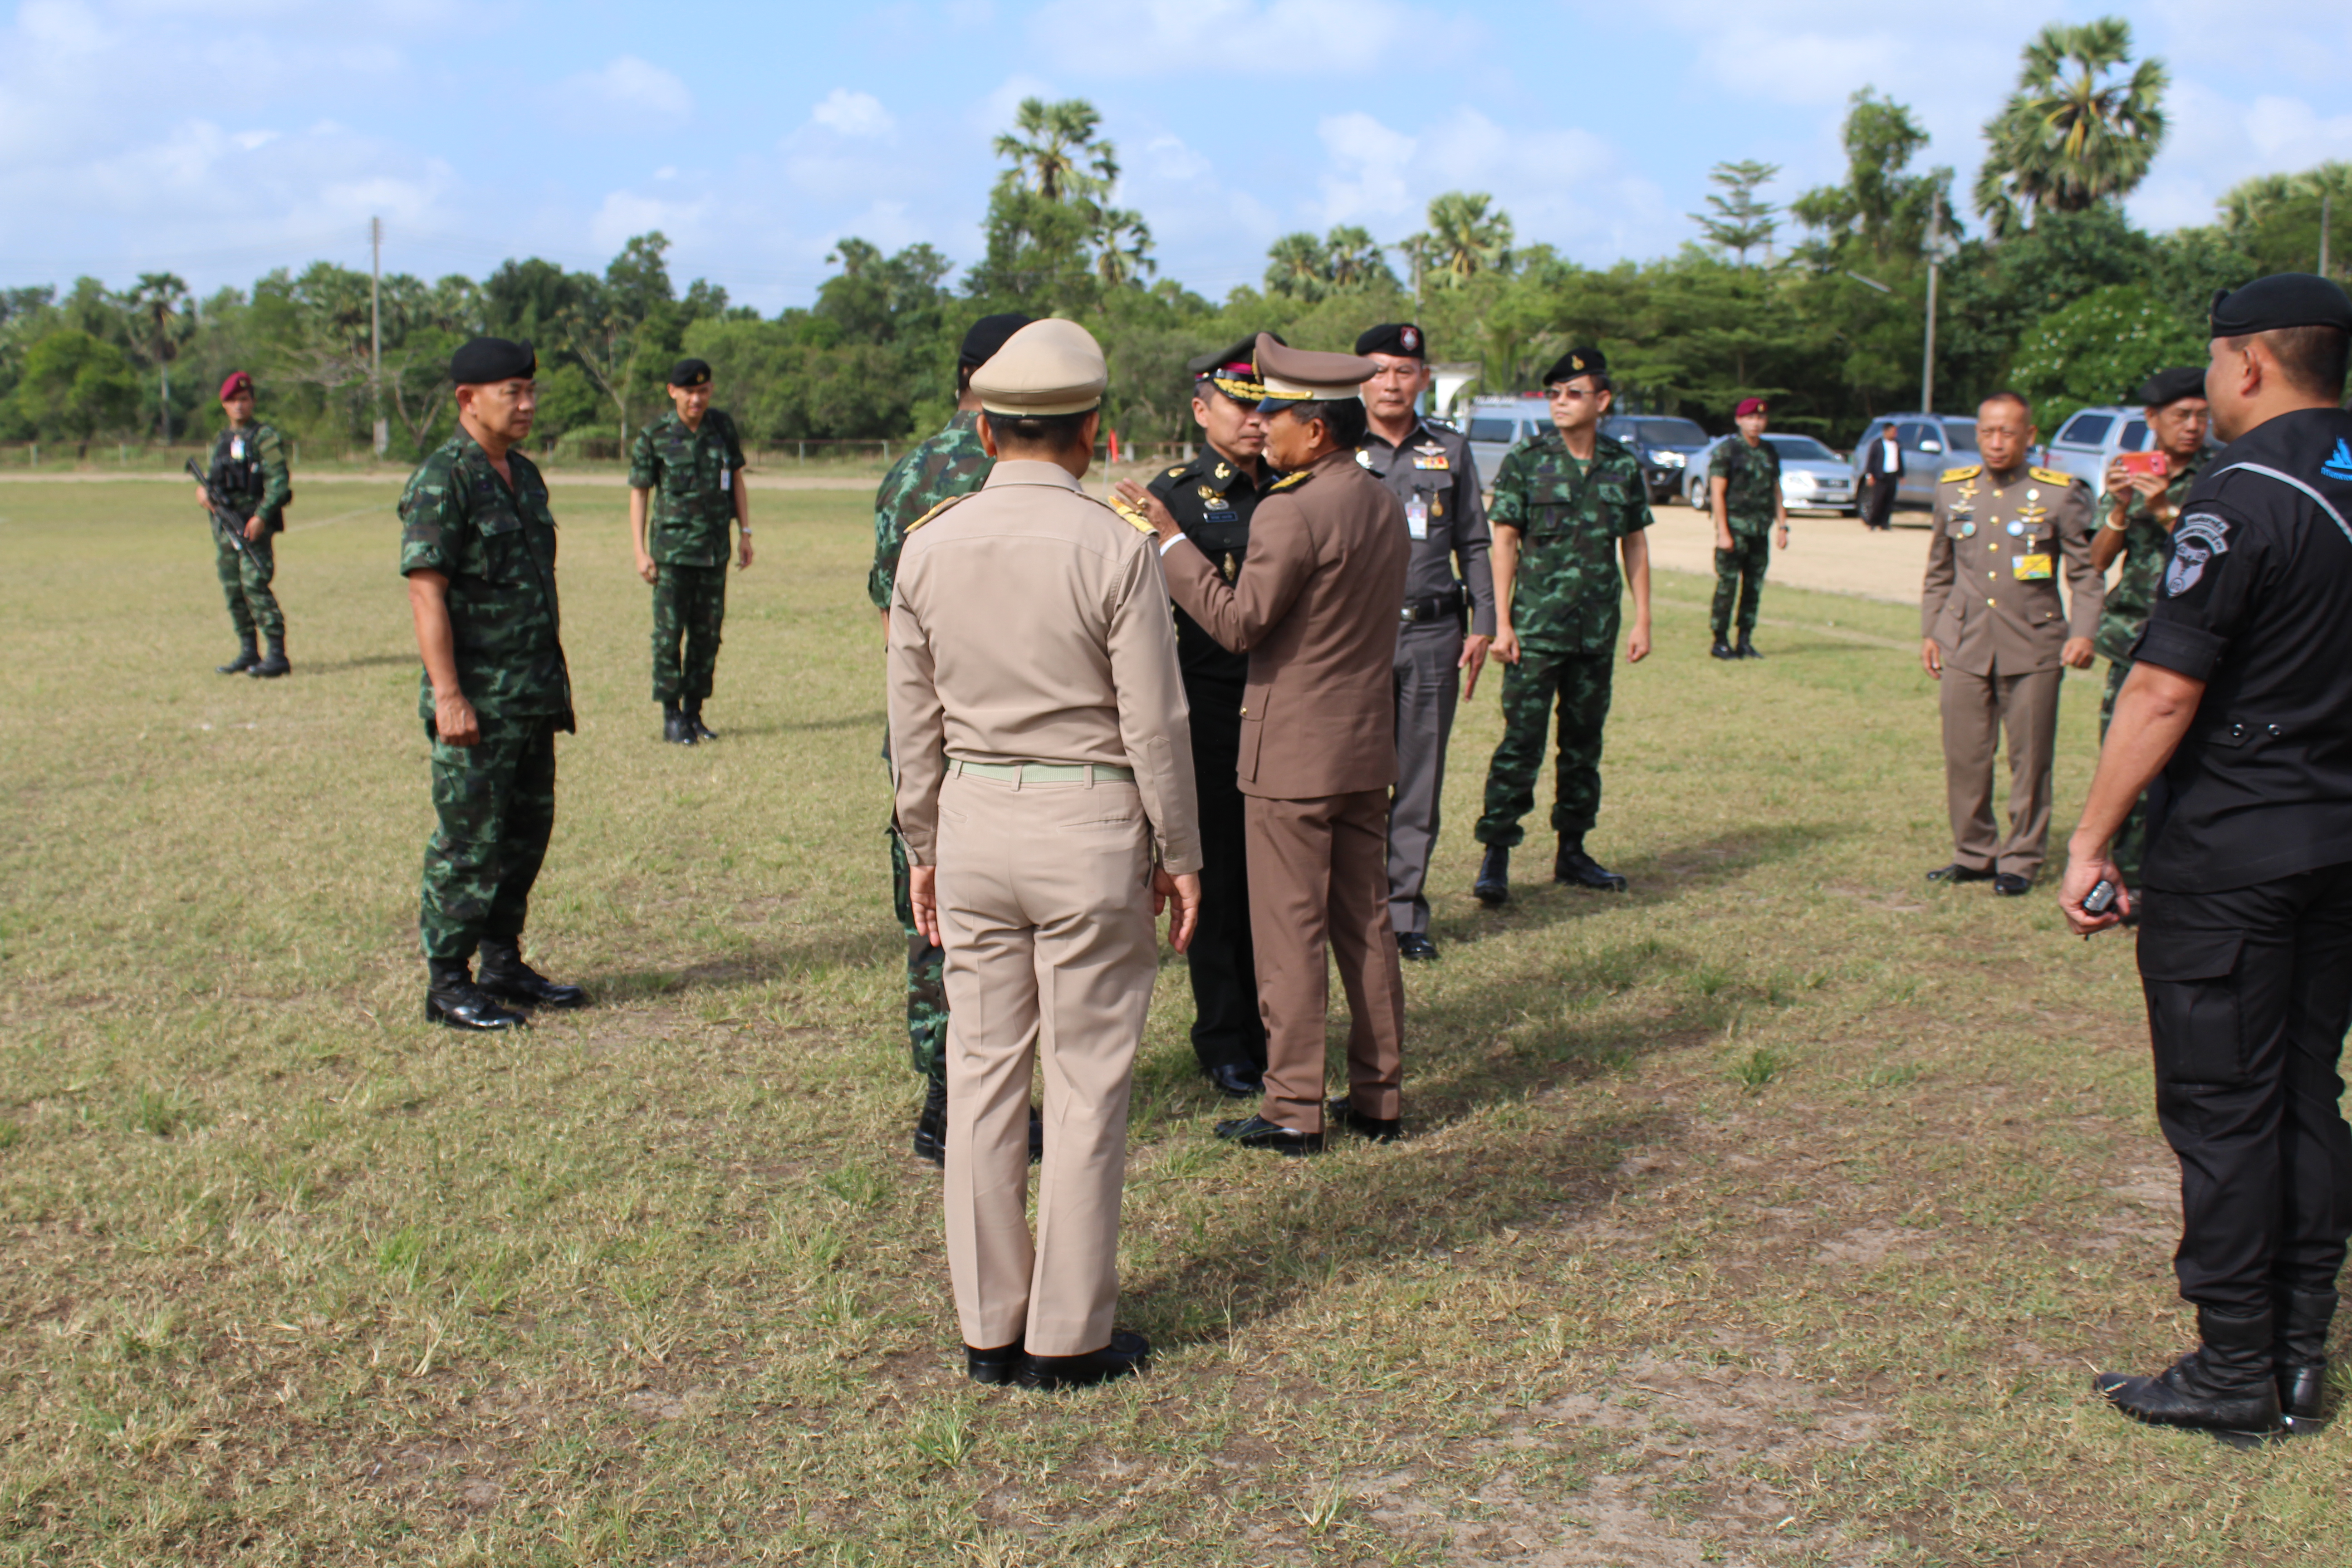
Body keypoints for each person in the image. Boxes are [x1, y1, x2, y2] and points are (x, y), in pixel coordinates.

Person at [2061, 273, 2352, 1439]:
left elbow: (2165, 683)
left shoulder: (2244, 493)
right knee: (2302, 1093)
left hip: (2235, 851)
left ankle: (2235, 1360)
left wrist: (2090, 837)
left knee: (2222, 1106)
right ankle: (2295, 1352)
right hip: (2336, 842)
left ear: (2245, 365)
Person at [888, 317, 1203, 1391]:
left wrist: (922, 843)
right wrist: (1182, 849)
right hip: (1088, 821)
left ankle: (988, 1323)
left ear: (983, 428)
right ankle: (1066, 1332)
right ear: (1093, 431)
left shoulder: (928, 541)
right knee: (1082, 1084)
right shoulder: (1115, 543)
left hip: (973, 820)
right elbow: (1154, 721)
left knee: (979, 1080)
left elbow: (910, 716)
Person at [1147, 335, 1409, 1156]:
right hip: (1365, 746)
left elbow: (1235, 624)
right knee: (1365, 923)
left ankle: (1294, 1104)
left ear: (1317, 431)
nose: (1263, 425)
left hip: (1291, 758)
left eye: (1276, 414)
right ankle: (1378, 1094)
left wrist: (1167, 542)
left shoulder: (1289, 509)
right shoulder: (1376, 498)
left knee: (1287, 931)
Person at [868, 312, 1032, 1165]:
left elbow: (888, 621)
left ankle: (949, 1096)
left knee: (936, 915)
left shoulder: (908, 474)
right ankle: (959, 1105)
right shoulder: (1028, 464)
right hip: (1023, 730)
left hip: (929, 725)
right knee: (993, 919)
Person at [398, 338, 587, 1031]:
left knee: (524, 834)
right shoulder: (442, 480)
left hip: (531, 696)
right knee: (468, 841)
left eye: (531, 391)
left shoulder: (526, 476)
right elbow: (427, 594)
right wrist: (449, 695)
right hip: (476, 700)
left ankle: (503, 962)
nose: (528, 404)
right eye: (513, 392)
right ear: (467, 400)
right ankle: (448, 980)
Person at [1111, 335, 1278, 1098]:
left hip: (1284, 705)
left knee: (1279, 882)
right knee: (1217, 882)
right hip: (1205, 710)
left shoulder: (1292, 485)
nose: (1253, 419)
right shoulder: (1166, 497)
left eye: (1263, 404)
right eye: (1239, 404)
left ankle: (1279, 1026)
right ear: (1200, 409)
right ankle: (1223, 1038)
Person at [1470, 348, 1653, 905]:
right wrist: (1502, 623)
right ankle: (1496, 853)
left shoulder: (1621, 465)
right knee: (1520, 744)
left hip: (1595, 631)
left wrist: (1643, 617)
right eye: (1554, 394)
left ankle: (1572, 851)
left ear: (1602, 401)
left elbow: (1635, 541)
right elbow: (1504, 540)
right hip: (1535, 629)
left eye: (1574, 393)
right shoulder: (1528, 460)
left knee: (1582, 746)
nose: (1561, 403)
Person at [1918, 392, 2101, 896]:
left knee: (2031, 759)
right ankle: (1974, 853)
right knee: (1965, 756)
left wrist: (2084, 631)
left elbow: (2086, 576)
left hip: (2035, 645)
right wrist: (1931, 630)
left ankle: (2020, 858)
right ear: (1977, 434)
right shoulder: (1953, 491)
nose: (1996, 443)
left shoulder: (2061, 495)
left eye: (2008, 433)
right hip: (1964, 643)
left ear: (2029, 436)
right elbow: (1939, 570)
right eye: (1988, 432)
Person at [1354, 322, 1495, 961]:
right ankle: (1356, 911)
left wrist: (1485, 621)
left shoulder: (1451, 449)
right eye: (1379, 370)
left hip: (1435, 633)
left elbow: (1474, 542)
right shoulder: (1333, 445)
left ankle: (1406, 915)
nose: (1391, 382)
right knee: (1356, 779)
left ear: (1424, 379)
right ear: (1359, 375)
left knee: (1419, 778)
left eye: (1403, 371)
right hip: (1355, 638)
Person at [2090, 366, 2211, 890]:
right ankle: (2125, 875)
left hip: (2196, 641)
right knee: (2124, 765)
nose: (2192, 426)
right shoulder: (2128, 472)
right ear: (2152, 419)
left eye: (2202, 416)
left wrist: (2165, 511)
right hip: (2132, 641)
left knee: (2190, 765)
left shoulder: (2222, 473)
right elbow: (2095, 559)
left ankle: (2175, 876)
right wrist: (2121, 506)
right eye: (2181, 415)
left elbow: (2213, 550)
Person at [629, 358, 750, 745]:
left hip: (714, 552)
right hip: (672, 553)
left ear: (711, 390)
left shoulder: (721, 427)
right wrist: (639, 550)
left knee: (706, 636)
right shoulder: (655, 435)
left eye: (703, 391)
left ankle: (694, 714)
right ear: (673, 392)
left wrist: (746, 532)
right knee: (668, 636)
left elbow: (738, 482)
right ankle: (671, 715)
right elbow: (640, 491)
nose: (696, 399)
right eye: (688, 392)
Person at [196, 371, 293, 678]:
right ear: (224, 405)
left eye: (245, 399)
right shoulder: (221, 441)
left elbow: (279, 484)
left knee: (255, 584)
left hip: (253, 525)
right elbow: (213, 482)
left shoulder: (265, 438)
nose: (239, 406)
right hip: (225, 527)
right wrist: (202, 494)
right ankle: (249, 651)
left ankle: (277, 654)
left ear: (252, 402)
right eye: (233, 401)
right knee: (233, 588)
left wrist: (261, 517)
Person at [1705, 397, 1790, 660]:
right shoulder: (1727, 451)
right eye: (1750, 418)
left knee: (1753, 587)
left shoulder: (1769, 451)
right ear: (1739, 420)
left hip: (1759, 530)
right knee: (1728, 586)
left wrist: (1783, 526)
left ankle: (1745, 640)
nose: (1756, 423)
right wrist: (1723, 532)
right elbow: (1717, 493)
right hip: (1735, 530)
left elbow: (1776, 489)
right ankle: (1720, 640)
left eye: (1760, 418)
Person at [1859, 420, 1903, 532]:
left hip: (1892, 476)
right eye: (1893, 432)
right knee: (1878, 500)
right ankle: (1873, 522)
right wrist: (1870, 475)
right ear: (1886, 432)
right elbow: (1871, 460)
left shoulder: (1897, 444)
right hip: (1880, 476)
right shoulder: (1877, 444)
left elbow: (1900, 461)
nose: (1895, 434)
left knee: (1889, 500)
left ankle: (1885, 523)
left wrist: (1902, 475)